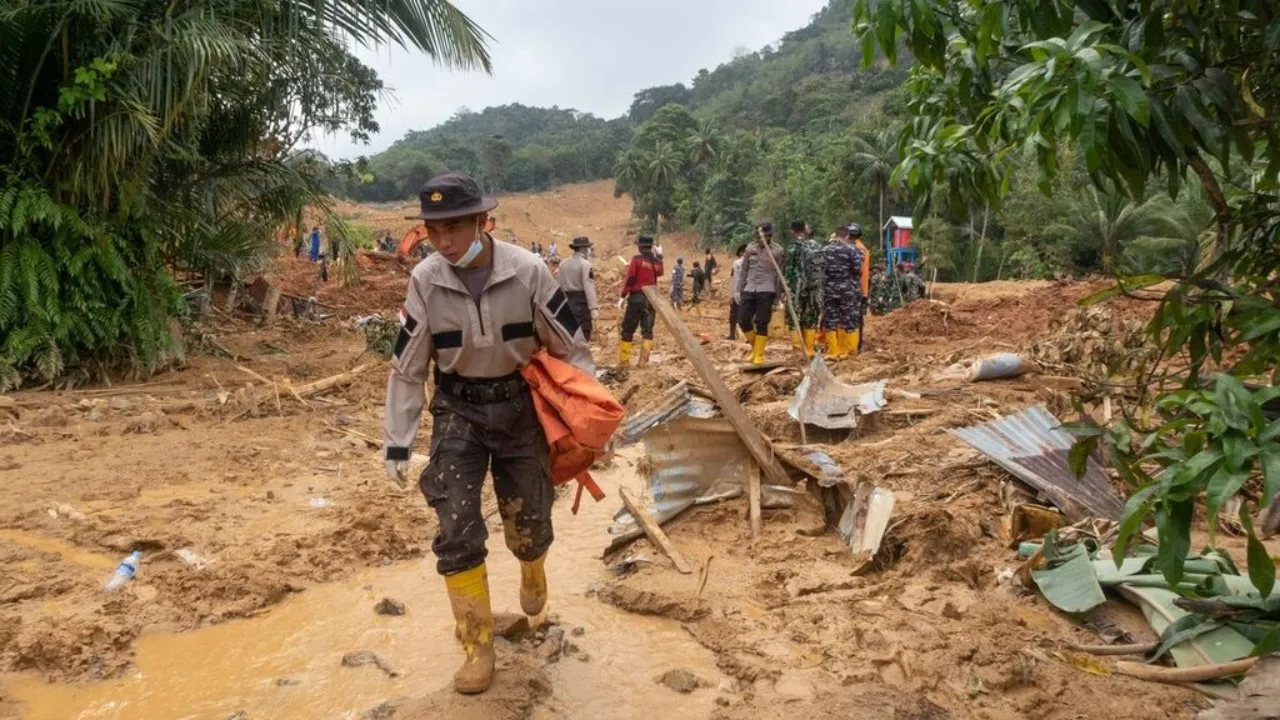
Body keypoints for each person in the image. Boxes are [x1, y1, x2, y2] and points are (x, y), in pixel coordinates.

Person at [382, 172, 592, 696]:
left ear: (483, 222)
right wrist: (397, 440)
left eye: (455, 227)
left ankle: (531, 567)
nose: (444, 241)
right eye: (434, 230)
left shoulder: (528, 272)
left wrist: (587, 418)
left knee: (530, 521)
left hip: (522, 408)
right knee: (454, 524)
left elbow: (572, 347)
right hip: (458, 411)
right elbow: (407, 368)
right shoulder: (425, 281)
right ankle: (478, 645)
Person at [735, 222, 786, 365]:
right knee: (743, 320)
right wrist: (739, 290)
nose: (760, 238)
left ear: (770, 235)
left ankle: (759, 355)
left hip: (767, 290)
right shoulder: (750, 248)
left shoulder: (778, 251)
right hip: (749, 289)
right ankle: (755, 348)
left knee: (762, 323)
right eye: (758, 235)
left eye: (764, 235)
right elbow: (744, 270)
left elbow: (779, 275)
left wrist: (777, 298)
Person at [619, 235, 663, 367]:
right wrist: (660, 256)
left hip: (637, 297)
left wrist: (623, 295)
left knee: (627, 329)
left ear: (640, 246)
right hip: (652, 299)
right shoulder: (656, 262)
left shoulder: (636, 260)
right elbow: (660, 273)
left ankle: (624, 362)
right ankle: (643, 362)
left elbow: (631, 278)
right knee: (648, 330)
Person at [822, 225, 864, 360]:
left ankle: (833, 352)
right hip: (846, 289)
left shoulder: (825, 250)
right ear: (847, 236)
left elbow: (821, 269)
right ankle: (850, 352)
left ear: (835, 234)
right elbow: (858, 269)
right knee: (849, 319)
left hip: (829, 288)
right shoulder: (851, 249)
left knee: (830, 320)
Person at [783, 221, 824, 355]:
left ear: (793, 231)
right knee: (810, 317)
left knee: (793, 316)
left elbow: (789, 271)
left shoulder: (793, 248)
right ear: (805, 230)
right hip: (814, 289)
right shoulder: (816, 245)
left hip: (797, 288)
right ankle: (810, 349)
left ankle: (798, 349)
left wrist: (786, 289)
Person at [557, 236, 598, 342]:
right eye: (588, 248)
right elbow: (588, 286)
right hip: (581, 305)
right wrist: (593, 308)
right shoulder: (586, 265)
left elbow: (558, 285)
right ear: (584, 249)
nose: (589, 251)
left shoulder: (563, 264)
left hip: (565, 304)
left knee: (567, 335)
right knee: (583, 335)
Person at [851, 224, 872, 352]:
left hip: (854, 289)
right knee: (858, 318)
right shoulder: (863, 248)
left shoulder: (856, 249)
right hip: (862, 289)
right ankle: (857, 344)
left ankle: (854, 345)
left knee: (851, 318)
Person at [727, 244, 746, 340]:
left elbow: (734, 279)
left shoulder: (737, 263)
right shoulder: (754, 262)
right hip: (750, 292)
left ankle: (732, 335)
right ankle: (748, 336)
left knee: (733, 315)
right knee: (748, 315)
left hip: (738, 292)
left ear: (741, 253)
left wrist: (732, 295)